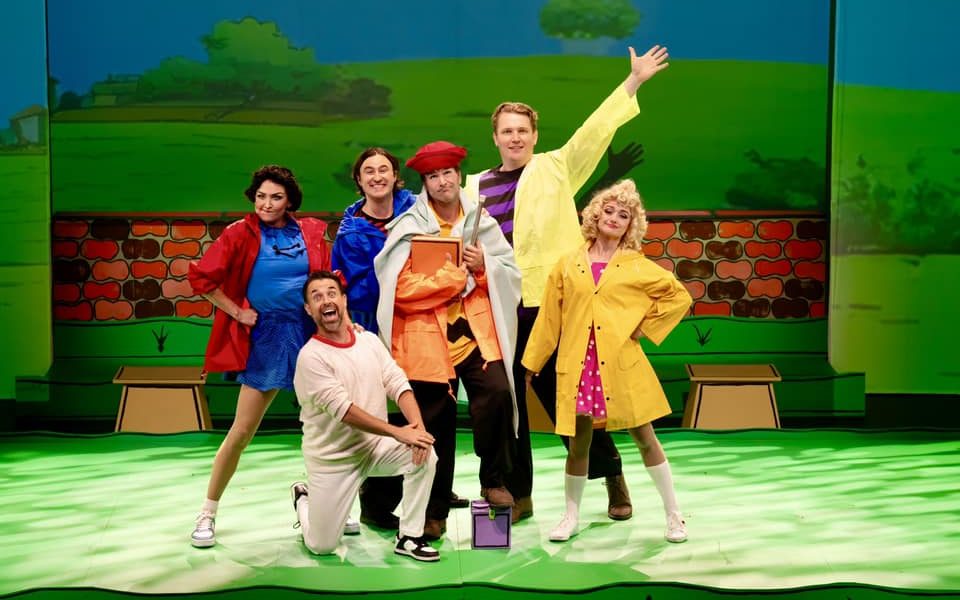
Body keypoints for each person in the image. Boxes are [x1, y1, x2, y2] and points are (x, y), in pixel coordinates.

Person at [465, 44, 670, 523]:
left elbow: (596, 130)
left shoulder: (557, 166)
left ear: (535, 135)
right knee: (510, 405)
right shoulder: (475, 186)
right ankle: (520, 496)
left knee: (570, 400)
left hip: (554, 304)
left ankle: (611, 473)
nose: (515, 138)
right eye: (506, 131)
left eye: (522, 130)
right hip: (499, 307)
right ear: (494, 137)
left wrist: (634, 80)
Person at [521, 179, 691, 543]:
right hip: (579, 367)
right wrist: (532, 363)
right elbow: (550, 318)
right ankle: (570, 516)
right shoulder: (568, 265)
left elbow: (678, 297)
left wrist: (643, 329)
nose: (614, 218)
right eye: (609, 211)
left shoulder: (637, 266)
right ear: (595, 216)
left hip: (620, 365)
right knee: (578, 442)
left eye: (623, 214)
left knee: (645, 439)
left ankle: (674, 514)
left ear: (632, 225)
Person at [374, 141, 521, 540]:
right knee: (435, 424)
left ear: (459, 176)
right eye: (433, 176)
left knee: (496, 394)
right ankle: (433, 509)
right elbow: (399, 288)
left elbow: (512, 277)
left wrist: (485, 266)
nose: (442, 182)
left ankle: (492, 481)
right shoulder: (409, 227)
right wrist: (458, 277)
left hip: (475, 337)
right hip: (427, 341)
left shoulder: (482, 223)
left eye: (448, 174)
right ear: (425, 183)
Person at [186, 165, 333, 548]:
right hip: (265, 335)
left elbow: (328, 282)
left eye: (276, 197)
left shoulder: (312, 231)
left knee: (327, 425)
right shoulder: (239, 233)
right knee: (242, 431)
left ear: (290, 201)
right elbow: (202, 279)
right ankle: (207, 511)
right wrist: (237, 312)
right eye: (261, 196)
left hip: (307, 333)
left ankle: (333, 507)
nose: (267, 204)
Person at [332, 147, 469, 530]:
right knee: (383, 415)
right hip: (378, 331)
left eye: (384, 170)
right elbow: (358, 289)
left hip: (429, 326)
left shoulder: (419, 212)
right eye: (368, 171)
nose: (377, 177)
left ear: (396, 177)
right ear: (358, 180)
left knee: (436, 413)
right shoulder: (350, 233)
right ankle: (376, 502)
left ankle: (434, 494)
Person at [291, 270, 440, 562]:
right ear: (309, 309)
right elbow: (345, 411)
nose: (325, 300)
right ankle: (303, 499)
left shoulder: (368, 341)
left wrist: (417, 429)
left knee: (426, 455)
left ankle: (409, 536)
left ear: (344, 300)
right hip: (333, 460)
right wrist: (399, 432)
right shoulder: (310, 357)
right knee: (322, 546)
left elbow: (397, 383)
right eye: (316, 296)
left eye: (331, 293)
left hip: (373, 448)